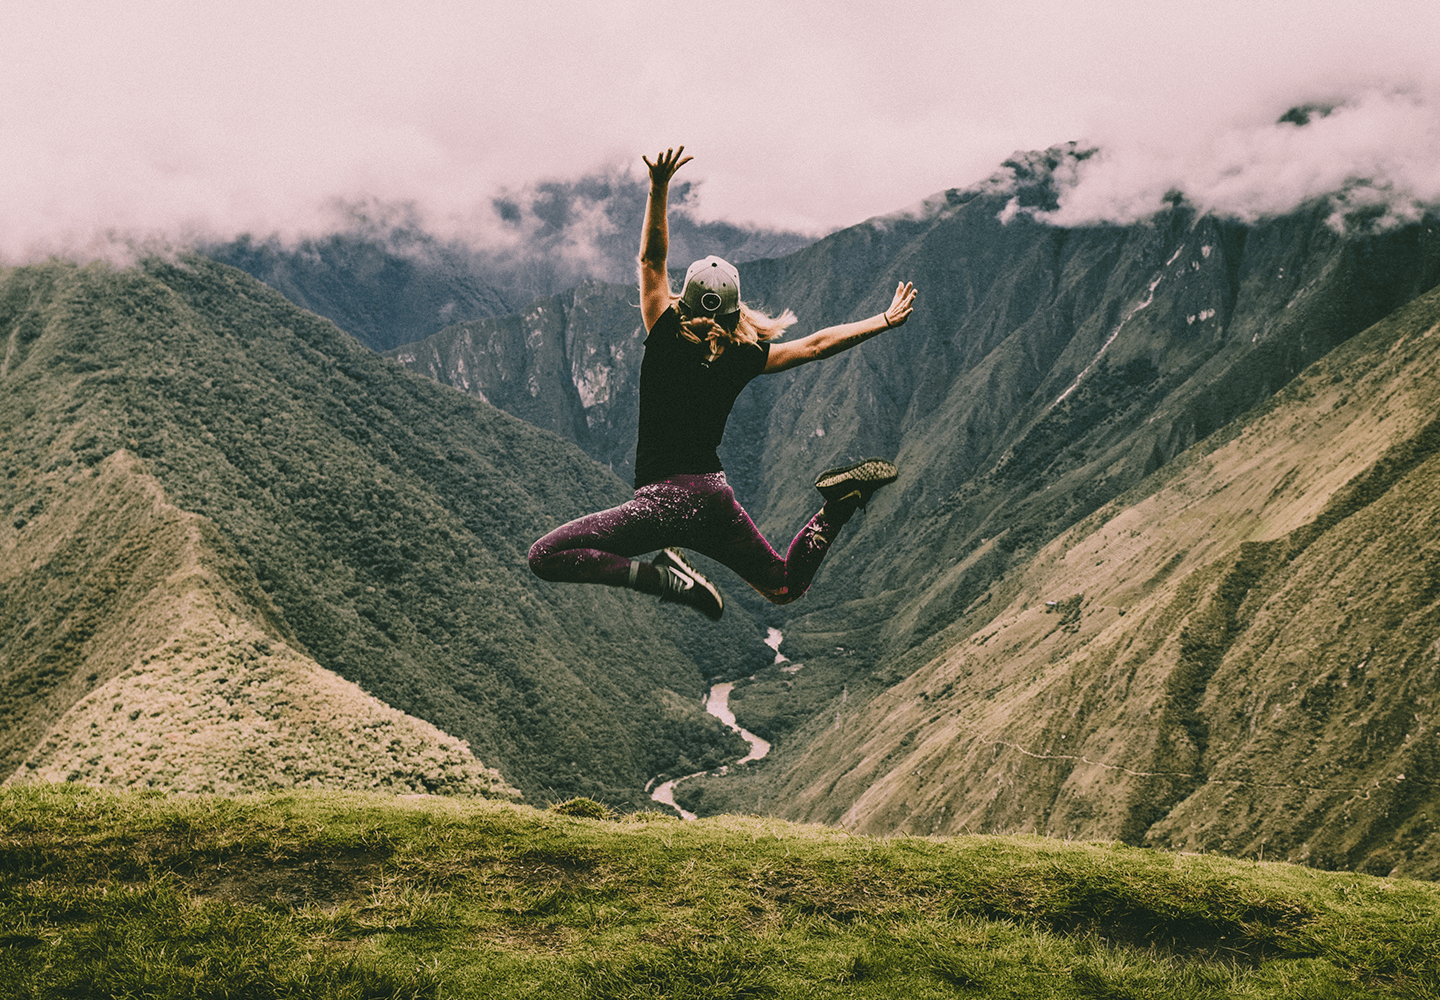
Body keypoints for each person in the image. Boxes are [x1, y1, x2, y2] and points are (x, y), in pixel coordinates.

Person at [528, 146, 917, 619]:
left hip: (662, 503)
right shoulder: (743, 355)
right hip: (713, 498)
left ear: (683, 301)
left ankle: (663, 579)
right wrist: (882, 319)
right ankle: (836, 507)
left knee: (545, 557)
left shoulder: (666, 332)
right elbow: (815, 346)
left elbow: (652, 260)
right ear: (736, 310)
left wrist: (658, 186)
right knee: (783, 586)